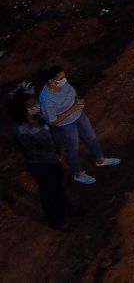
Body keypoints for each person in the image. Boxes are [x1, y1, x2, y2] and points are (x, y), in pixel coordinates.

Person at [10, 86, 79, 230]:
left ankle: (67, 209)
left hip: (50, 159)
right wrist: (56, 156)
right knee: (49, 192)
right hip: (41, 164)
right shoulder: (23, 130)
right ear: (23, 109)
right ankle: (57, 222)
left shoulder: (36, 118)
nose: (36, 105)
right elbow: (35, 151)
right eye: (31, 104)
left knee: (58, 186)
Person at [37, 66, 120, 185]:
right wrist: (72, 109)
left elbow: (73, 92)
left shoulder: (62, 84)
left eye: (64, 76)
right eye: (61, 78)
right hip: (65, 126)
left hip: (79, 116)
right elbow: (52, 121)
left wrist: (79, 101)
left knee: (92, 139)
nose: (64, 79)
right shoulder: (46, 100)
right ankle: (78, 174)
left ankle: (100, 160)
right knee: (72, 150)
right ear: (51, 81)